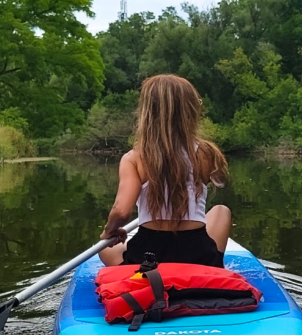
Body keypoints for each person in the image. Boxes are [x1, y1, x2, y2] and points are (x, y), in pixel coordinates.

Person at [98, 74, 230, 268]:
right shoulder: (207, 153)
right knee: (221, 210)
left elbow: (121, 212)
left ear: (147, 112)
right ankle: (208, 267)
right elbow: (221, 181)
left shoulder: (133, 158)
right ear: (190, 111)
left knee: (104, 248)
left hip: (147, 258)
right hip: (199, 257)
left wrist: (108, 232)